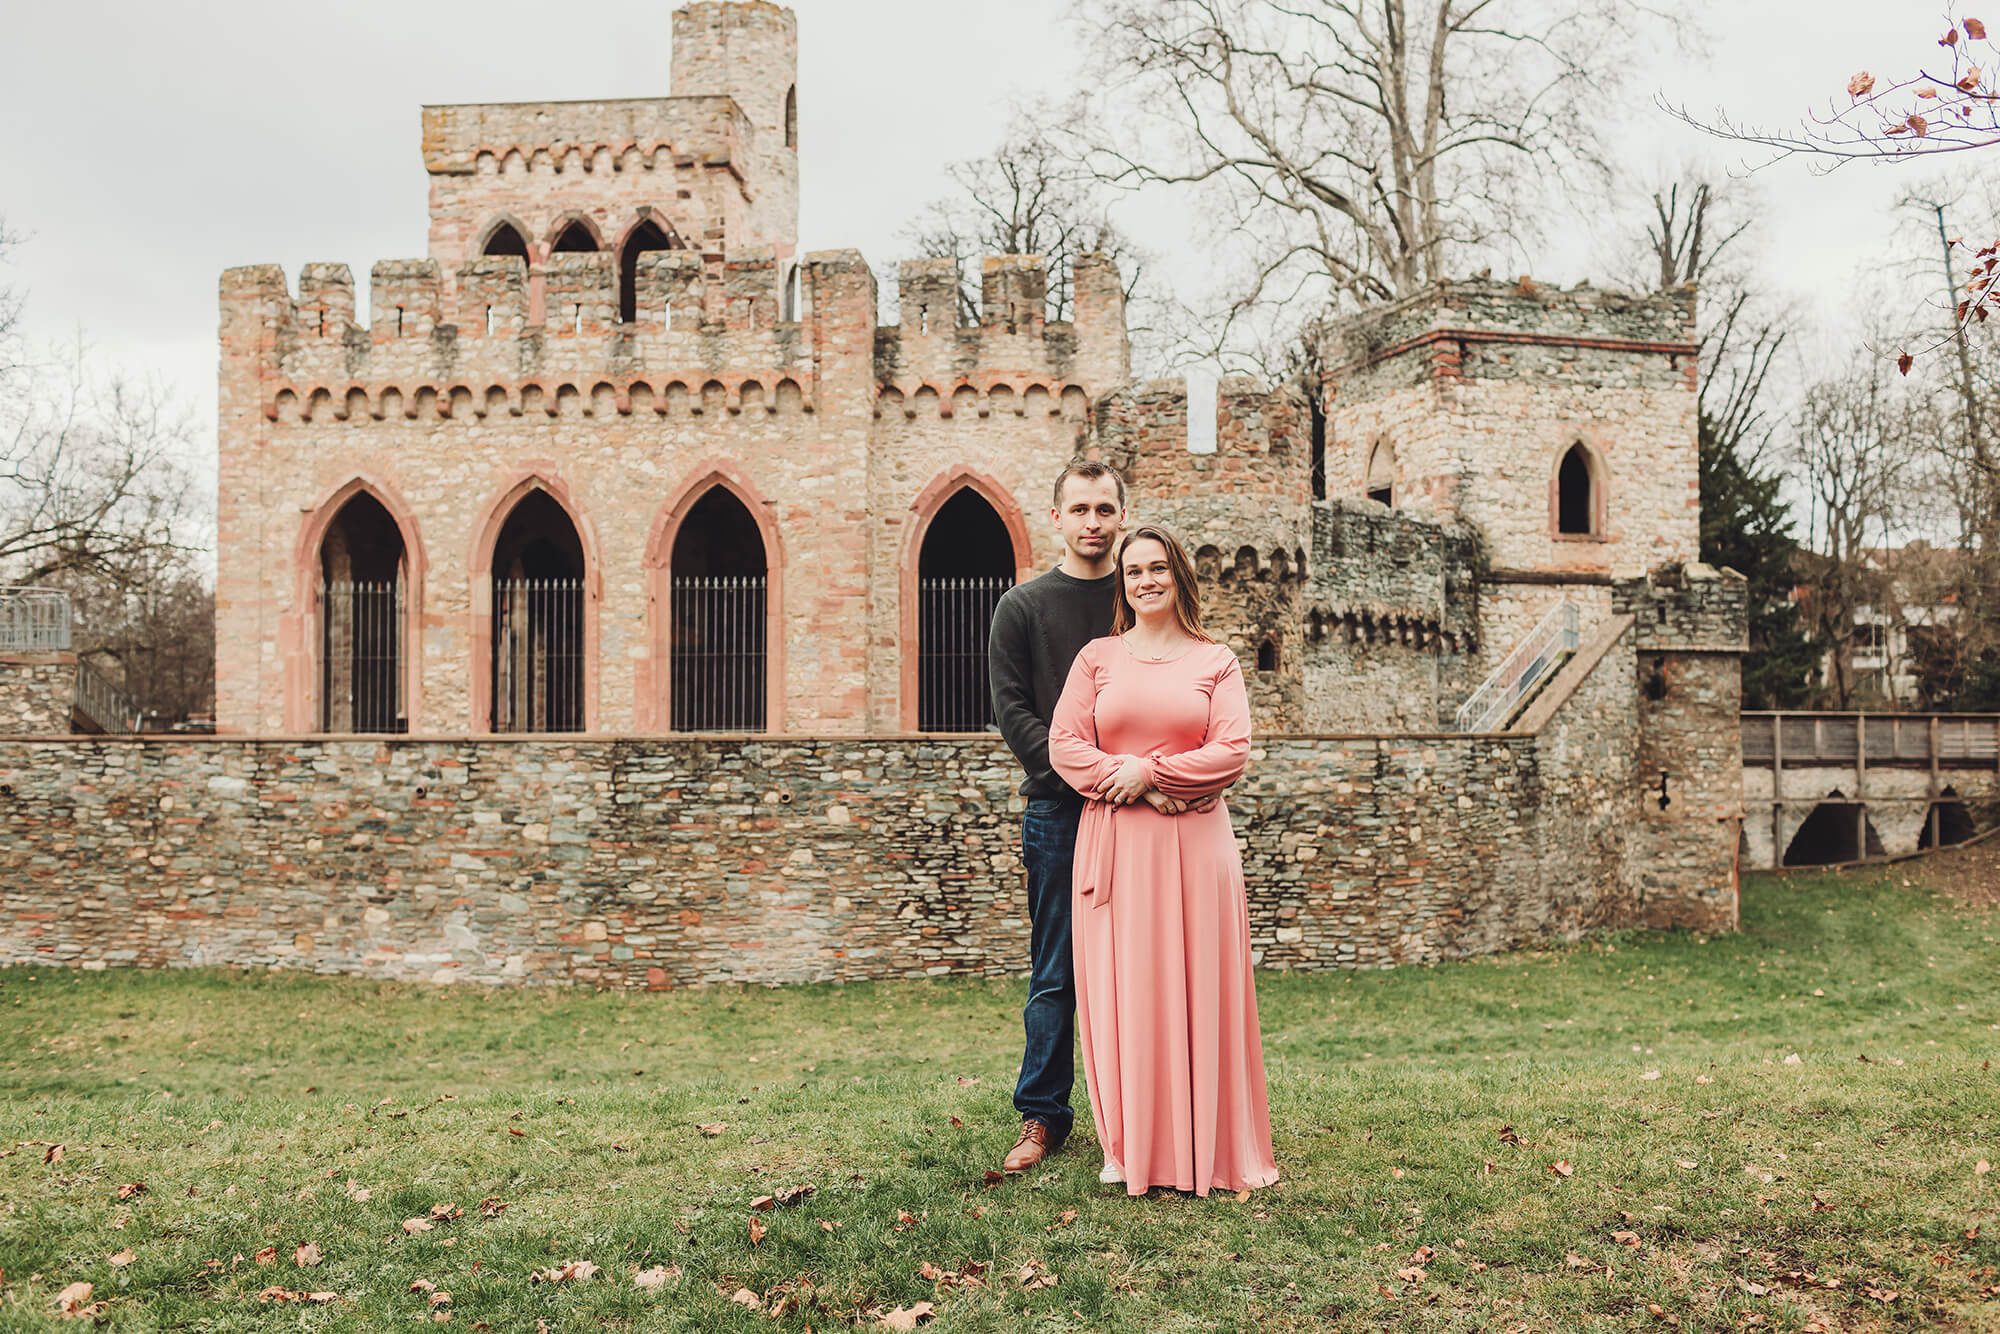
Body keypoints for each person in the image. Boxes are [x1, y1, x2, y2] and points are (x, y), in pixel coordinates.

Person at [1047, 524, 1280, 1197]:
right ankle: (1129, 1148)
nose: (1145, 581)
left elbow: (1231, 749)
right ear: (1122, 584)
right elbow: (1065, 745)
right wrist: (1141, 779)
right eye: (1133, 572)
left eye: (1157, 568)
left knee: (1197, 987)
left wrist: (1150, 773)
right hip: (1118, 843)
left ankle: (1206, 1144)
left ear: (1179, 574)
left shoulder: (1218, 661)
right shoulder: (1097, 658)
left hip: (1195, 846)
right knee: (1125, 991)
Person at [986, 460, 1129, 1174]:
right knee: (1055, 973)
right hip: (1059, 813)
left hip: (1142, 813)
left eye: (1105, 509)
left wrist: (1137, 782)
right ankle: (1042, 1116)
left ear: (1122, 519)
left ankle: (1137, 1115)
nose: (1093, 522)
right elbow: (1015, 716)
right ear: (1058, 518)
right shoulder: (1022, 608)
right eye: (1080, 509)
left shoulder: (1143, 601)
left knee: (1142, 968)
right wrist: (1098, 778)